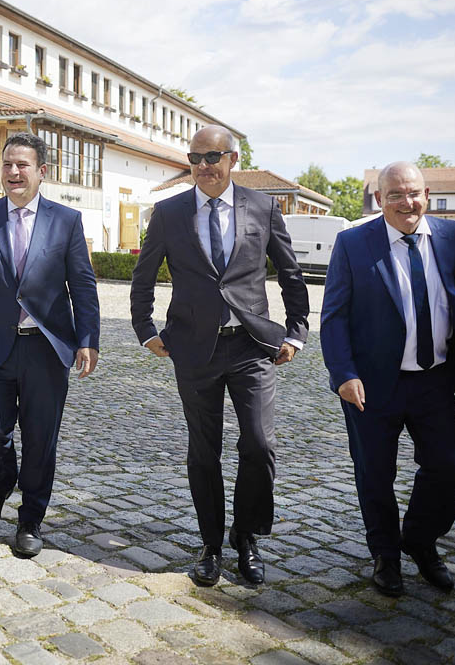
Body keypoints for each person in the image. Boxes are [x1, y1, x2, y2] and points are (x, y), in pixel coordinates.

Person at [130, 125, 308, 586]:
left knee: (260, 444)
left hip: (251, 346)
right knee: (203, 451)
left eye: (213, 157)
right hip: (193, 348)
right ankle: (210, 543)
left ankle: (245, 536)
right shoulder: (168, 213)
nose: (204, 166)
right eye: (195, 158)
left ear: (232, 159)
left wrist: (297, 333)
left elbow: (290, 273)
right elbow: (143, 275)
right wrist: (145, 328)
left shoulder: (264, 206)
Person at [321, 161, 455, 597]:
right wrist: (344, 374)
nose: (408, 203)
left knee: (448, 466)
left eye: (415, 193)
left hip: (435, 379)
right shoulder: (353, 243)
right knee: (375, 474)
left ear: (428, 193)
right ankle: (385, 554)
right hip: (371, 384)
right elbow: (333, 317)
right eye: (396, 195)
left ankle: (420, 541)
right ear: (380, 199)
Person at [0, 131, 100, 558]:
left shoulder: (66, 221)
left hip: (46, 349)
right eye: (8, 164)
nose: (13, 172)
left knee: (40, 437)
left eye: (22, 165)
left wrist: (88, 338)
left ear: (41, 171)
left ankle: (30, 518)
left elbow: (82, 285)